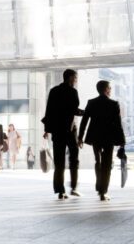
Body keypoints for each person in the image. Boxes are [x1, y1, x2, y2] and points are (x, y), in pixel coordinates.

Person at [79, 80, 126, 201]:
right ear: (106, 89)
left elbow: (84, 121)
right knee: (107, 164)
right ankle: (103, 191)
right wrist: (122, 141)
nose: (110, 90)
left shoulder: (91, 102)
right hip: (109, 138)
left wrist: (80, 137)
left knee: (98, 161)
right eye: (110, 88)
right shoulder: (113, 104)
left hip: (95, 137)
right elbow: (118, 124)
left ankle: (99, 186)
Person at [42, 69, 84, 200]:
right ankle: (74, 188)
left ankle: (60, 190)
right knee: (74, 160)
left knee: (59, 162)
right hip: (70, 131)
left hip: (57, 131)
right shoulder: (72, 92)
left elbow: (49, 111)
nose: (76, 80)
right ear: (70, 78)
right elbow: (74, 110)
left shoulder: (54, 91)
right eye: (75, 78)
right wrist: (86, 113)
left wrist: (47, 129)